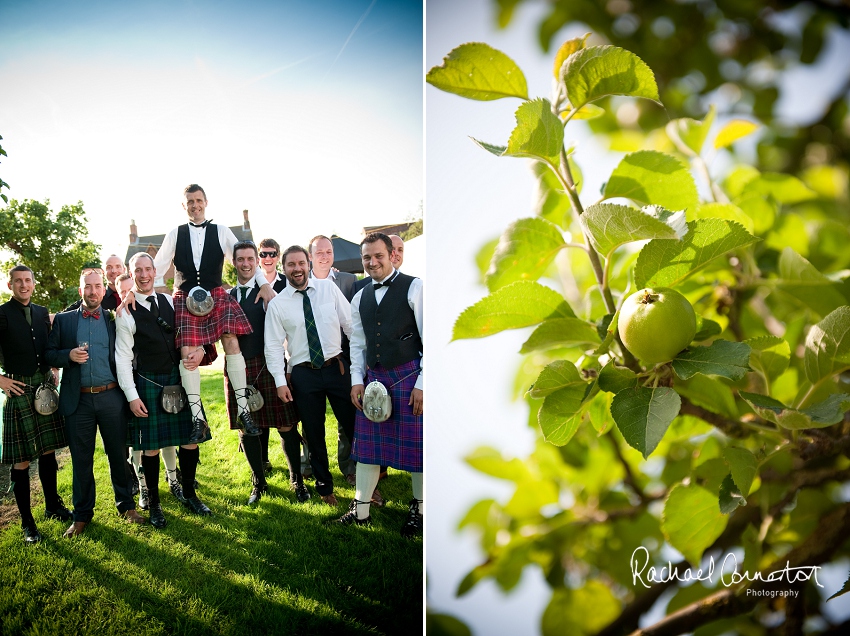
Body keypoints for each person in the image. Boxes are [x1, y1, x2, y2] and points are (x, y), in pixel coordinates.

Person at [125, 184, 275, 446]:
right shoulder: (175, 234)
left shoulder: (221, 231)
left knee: (231, 340)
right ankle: (197, 418)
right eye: (190, 202)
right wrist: (129, 290)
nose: (195, 205)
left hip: (215, 293)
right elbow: (154, 268)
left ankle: (243, 409)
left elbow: (243, 258)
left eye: (198, 200)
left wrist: (263, 282)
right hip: (184, 296)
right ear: (184, 206)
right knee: (187, 353)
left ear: (206, 202)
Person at [46, 269, 146, 537]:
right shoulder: (65, 322)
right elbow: (49, 354)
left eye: (97, 286)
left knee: (118, 454)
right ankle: (81, 516)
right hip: (78, 400)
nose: (92, 291)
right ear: (81, 291)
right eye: (87, 287)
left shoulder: (114, 320)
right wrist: (68, 355)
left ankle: (126, 506)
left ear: (104, 290)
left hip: (111, 397)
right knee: (81, 460)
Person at [336, 232, 423, 538]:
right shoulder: (359, 296)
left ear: (392, 256)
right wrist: (356, 381)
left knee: (418, 452)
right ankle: (361, 511)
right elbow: (357, 344)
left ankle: (420, 510)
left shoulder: (415, 287)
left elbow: (430, 339)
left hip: (409, 378)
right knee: (367, 450)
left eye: (378, 256)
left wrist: (423, 384)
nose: (372, 262)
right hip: (374, 380)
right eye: (366, 258)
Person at [116, 253, 209, 527]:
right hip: (148, 382)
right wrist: (132, 396)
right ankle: (155, 504)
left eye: (148, 269)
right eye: (138, 271)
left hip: (180, 379)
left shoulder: (170, 301)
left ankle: (190, 494)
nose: (144, 275)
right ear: (131, 274)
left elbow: (194, 330)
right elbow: (122, 358)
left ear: (155, 271)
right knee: (151, 449)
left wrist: (202, 349)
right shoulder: (125, 313)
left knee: (191, 439)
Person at [265, 245, 355, 507]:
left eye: (301, 263)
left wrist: (359, 370)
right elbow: (272, 347)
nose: (297, 269)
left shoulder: (328, 289)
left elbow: (351, 326)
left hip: (337, 369)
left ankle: (365, 482)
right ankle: (325, 487)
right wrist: (281, 382)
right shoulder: (278, 304)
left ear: (308, 264)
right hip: (304, 375)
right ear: (284, 269)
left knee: (353, 428)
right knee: (314, 434)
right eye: (291, 264)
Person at [226, 242, 305, 504]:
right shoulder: (225, 297)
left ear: (256, 263)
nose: (246, 264)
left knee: (286, 424)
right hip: (237, 368)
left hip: (269, 364)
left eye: (250, 259)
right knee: (248, 429)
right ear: (234, 262)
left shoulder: (271, 295)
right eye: (241, 259)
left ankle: (297, 480)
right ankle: (258, 483)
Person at [0, 265, 72, 543]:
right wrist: (1, 381)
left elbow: (47, 346)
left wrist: (53, 367)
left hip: (44, 387)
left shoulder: (42, 313)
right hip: (18, 390)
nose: (23, 285)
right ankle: (27, 523)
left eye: (27, 280)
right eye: (18, 281)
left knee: (47, 451)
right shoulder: (2, 314)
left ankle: (52, 505)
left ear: (33, 283)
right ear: (10, 285)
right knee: (21, 461)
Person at [303, 234, 360, 490]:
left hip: (343, 362)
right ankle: (313, 470)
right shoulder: (300, 284)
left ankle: (352, 469)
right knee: (312, 423)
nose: (325, 256)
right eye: (319, 252)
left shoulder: (348, 280)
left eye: (328, 251)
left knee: (348, 421)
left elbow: (354, 321)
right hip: (311, 364)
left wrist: (357, 361)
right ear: (310, 257)